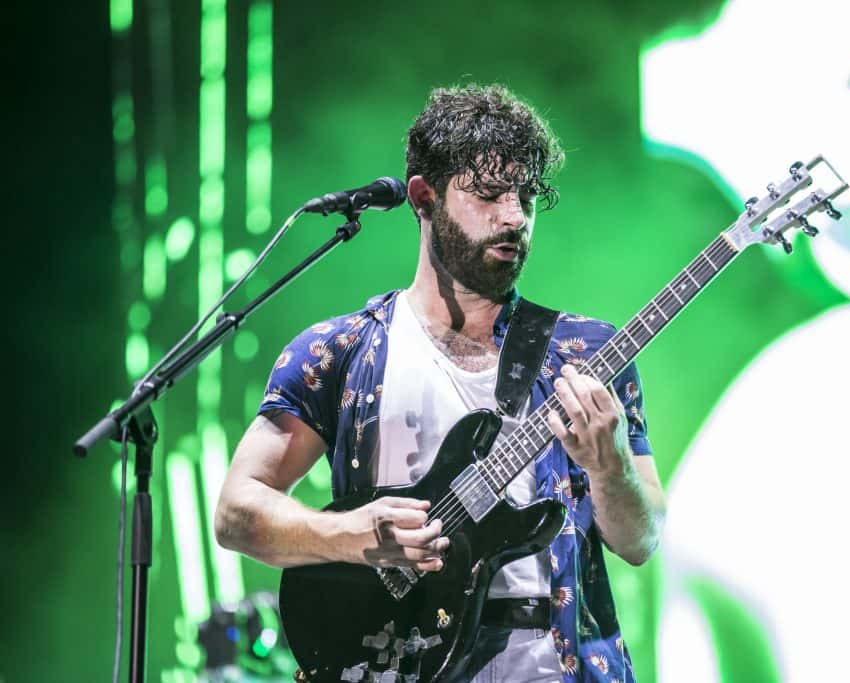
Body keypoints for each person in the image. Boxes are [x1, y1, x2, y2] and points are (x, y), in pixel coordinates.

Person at [215, 83, 665, 682]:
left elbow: (642, 539)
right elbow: (236, 512)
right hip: (391, 661)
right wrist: (351, 535)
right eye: (489, 195)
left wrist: (610, 467)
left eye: (526, 196)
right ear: (424, 198)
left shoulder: (583, 352)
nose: (514, 217)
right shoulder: (341, 351)